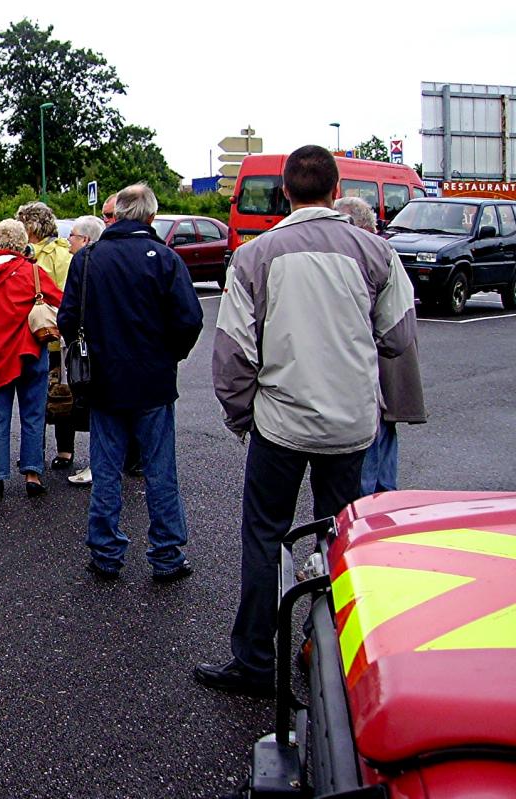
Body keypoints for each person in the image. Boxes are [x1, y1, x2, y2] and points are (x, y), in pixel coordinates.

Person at [198, 146, 417, 696]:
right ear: (338, 187)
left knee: (266, 535)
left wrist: (242, 415)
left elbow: (231, 355)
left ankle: (253, 659)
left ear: (286, 193)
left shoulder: (255, 257)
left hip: (279, 425)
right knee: (338, 540)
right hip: (350, 426)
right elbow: (399, 338)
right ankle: (335, 653)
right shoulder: (378, 255)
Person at [58, 183, 204, 583]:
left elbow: (68, 318)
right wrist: (168, 355)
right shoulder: (165, 259)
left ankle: (105, 552)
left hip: (102, 379)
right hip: (153, 379)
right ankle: (166, 554)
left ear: (118, 214)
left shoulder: (87, 258)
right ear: (151, 216)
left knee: (105, 469)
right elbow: (189, 320)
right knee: (160, 469)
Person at [0, 219, 63, 498]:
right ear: (21, 243)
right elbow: (62, 302)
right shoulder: (33, 272)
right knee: (33, 414)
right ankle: (32, 473)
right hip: (30, 354)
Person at [333, 196, 428, 495]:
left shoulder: (372, 255)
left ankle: (369, 522)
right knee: (383, 445)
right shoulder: (383, 252)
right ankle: (383, 516)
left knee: (369, 455)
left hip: (376, 366)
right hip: (388, 365)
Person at [54, 215, 106, 486]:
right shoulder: (113, 260)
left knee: (94, 404)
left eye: (72, 236)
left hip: (89, 348)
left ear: (85, 240)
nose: (67, 241)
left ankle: (99, 464)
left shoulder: (83, 261)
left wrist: (72, 337)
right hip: (117, 347)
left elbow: (69, 310)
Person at [17, 201, 72, 289]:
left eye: (23, 227)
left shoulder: (59, 252)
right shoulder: (24, 251)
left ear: (32, 227)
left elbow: (65, 291)